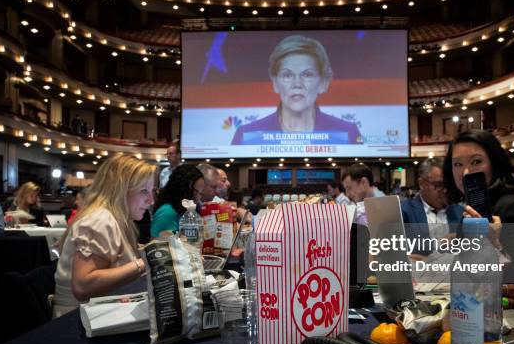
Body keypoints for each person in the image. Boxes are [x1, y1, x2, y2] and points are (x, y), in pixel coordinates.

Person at [53, 155, 156, 318]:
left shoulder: (114, 220)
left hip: (95, 316)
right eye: (144, 191)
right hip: (75, 323)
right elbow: (82, 287)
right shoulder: (100, 221)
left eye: (152, 191)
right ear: (120, 189)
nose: (151, 201)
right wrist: (146, 261)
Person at [231, 35, 362, 145]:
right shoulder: (246, 135)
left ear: (323, 82)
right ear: (275, 82)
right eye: (287, 75)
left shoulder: (347, 132)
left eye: (307, 75)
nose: (297, 84)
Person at [443, 130, 514, 223]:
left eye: (476, 162)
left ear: (495, 163)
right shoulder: (473, 208)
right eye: (458, 164)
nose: (466, 173)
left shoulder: (511, 207)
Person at [401, 158, 464, 256]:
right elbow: (396, 246)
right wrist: (437, 244)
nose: (445, 190)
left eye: (448, 185)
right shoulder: (404, 211)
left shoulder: (460, 212)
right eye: (439, 185)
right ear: (422, 183)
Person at [151, 165, 204, 238]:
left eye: (200, 193)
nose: (197, 198)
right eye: (194, 192)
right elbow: (163, 246)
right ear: (181, 188)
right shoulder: (168, 212)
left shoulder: (184, 211)